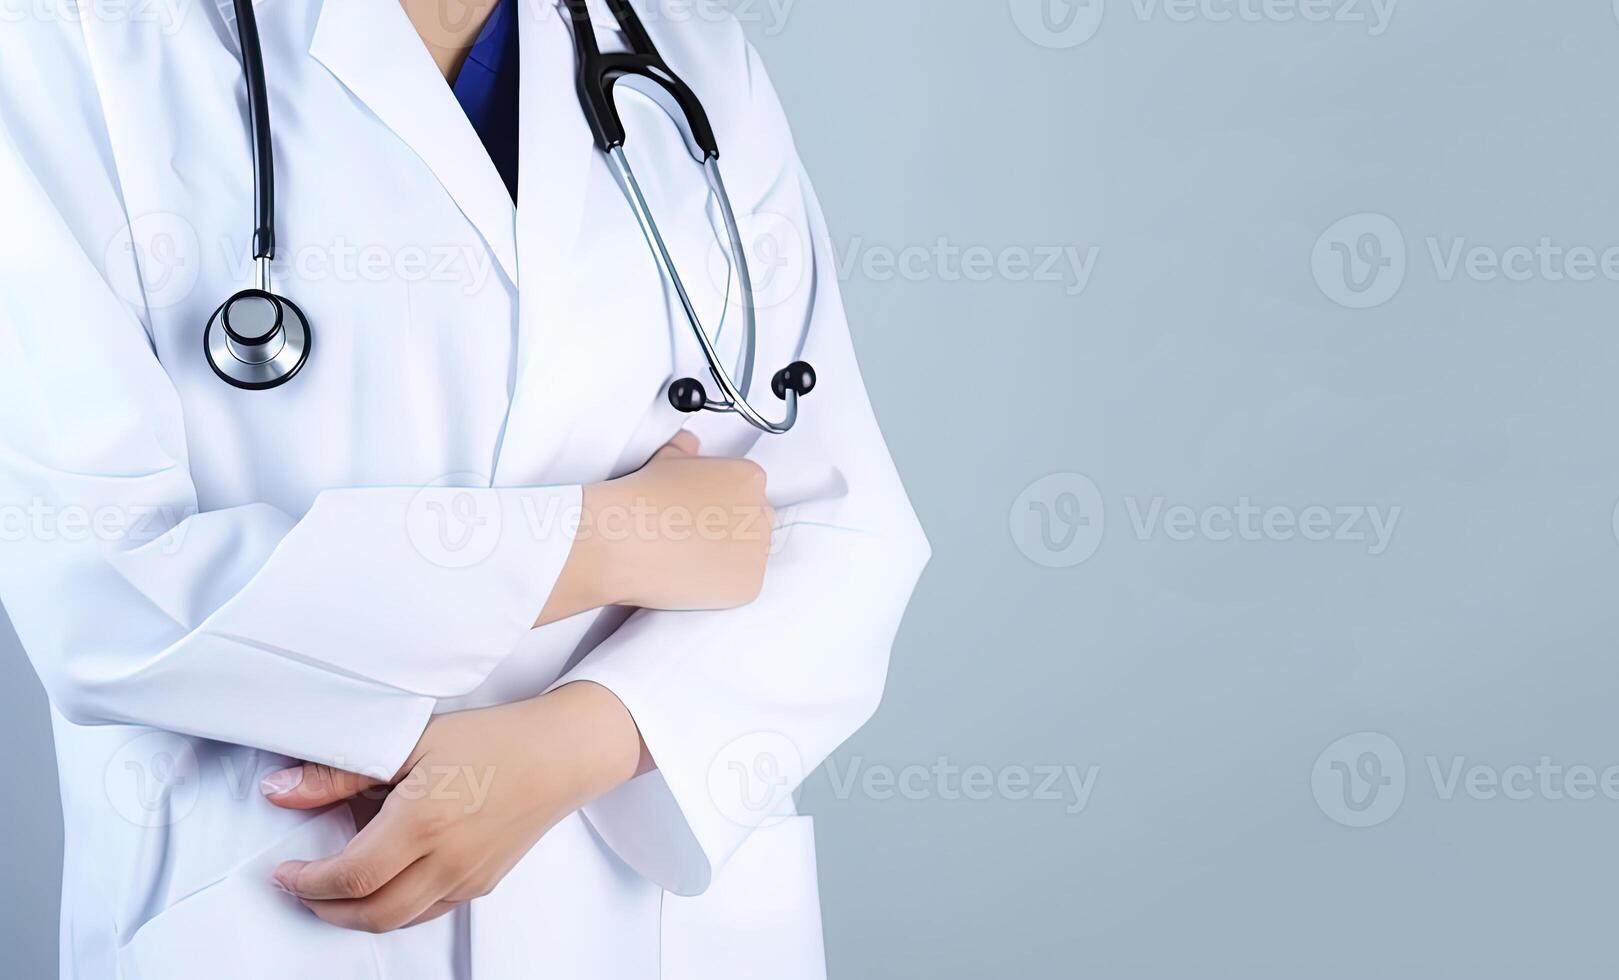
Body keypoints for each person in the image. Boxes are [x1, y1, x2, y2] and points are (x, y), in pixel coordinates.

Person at [0, 0, 929, 977]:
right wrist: (600, 540)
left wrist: (571, 745)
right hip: (282, 908)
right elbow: (98, 585)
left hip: (645, 914)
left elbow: (836, 529)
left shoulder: (689, 60)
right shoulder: (72, 43)